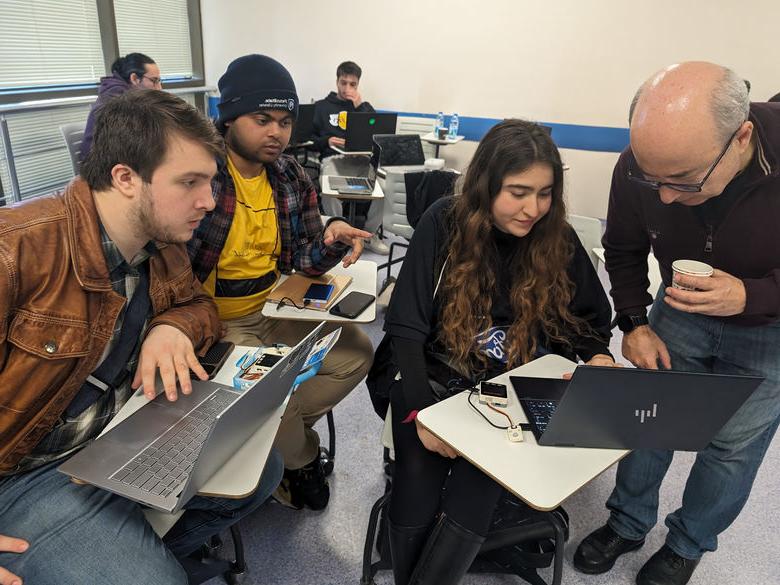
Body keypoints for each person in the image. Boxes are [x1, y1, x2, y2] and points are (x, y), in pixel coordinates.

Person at [0, 91, 283, 585]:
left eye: (211, 181)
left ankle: (134, 550)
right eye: (190, 182)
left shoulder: (161, 243)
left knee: (263, 468)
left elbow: (199, 306)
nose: (209, 201)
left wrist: (172, 326)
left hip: (114, 435)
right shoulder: (17, 250)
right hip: (25, 472)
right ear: (125, 178)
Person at [374, 119, 616, 585]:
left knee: (478, 484)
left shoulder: (556, 237)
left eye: (545, 193)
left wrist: (600, 358)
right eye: (519, 192)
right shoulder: (443, 220)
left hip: (510, 385)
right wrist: (424, 413)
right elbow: (405, 328)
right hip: (432, 375)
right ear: (487, 185)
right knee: (416, 482)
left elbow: (586, 322)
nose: (534, 208)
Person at [574, 62, 780, 585]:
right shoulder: (639, 164)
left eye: (683, 181)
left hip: (770, 330)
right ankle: (627, 522)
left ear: (742, 138)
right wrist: (635, 323)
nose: (663, 198)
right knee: (649, 419)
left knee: (730, 447)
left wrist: (752, 295)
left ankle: (686, 544)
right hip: (679, 312)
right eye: (652, 178)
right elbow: (621, 249)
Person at [188, 54, 374, 511]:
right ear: (228, 118)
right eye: (262, 119)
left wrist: (330, 237)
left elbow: (304, 259)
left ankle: (279, 435)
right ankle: (299, 460)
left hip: (273, 309)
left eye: (286, 121)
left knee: (356, 353)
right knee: (276, 389)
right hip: (214, 323)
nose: (276, 132)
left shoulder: (290, 174)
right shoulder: (202, 174)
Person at [313, 60, 389, 254]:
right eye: (344, 82)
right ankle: (338, 234)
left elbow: (376, 134)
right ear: (337, 81)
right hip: (333, 159)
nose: (347, 88)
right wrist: (327, 140)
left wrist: (359, 105)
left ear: (358, 85)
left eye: (353, 84)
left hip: (361, 160)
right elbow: (310, 139)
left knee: (385, 188)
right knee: (328, 189)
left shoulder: (363, 107)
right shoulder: (322, 107)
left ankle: (369, 236)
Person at [81, 52, 162, 162]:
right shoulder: (120, 101)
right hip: (101, 169)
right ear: (134, 78)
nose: (159, 88)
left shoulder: (121, 94)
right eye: (154, 81)